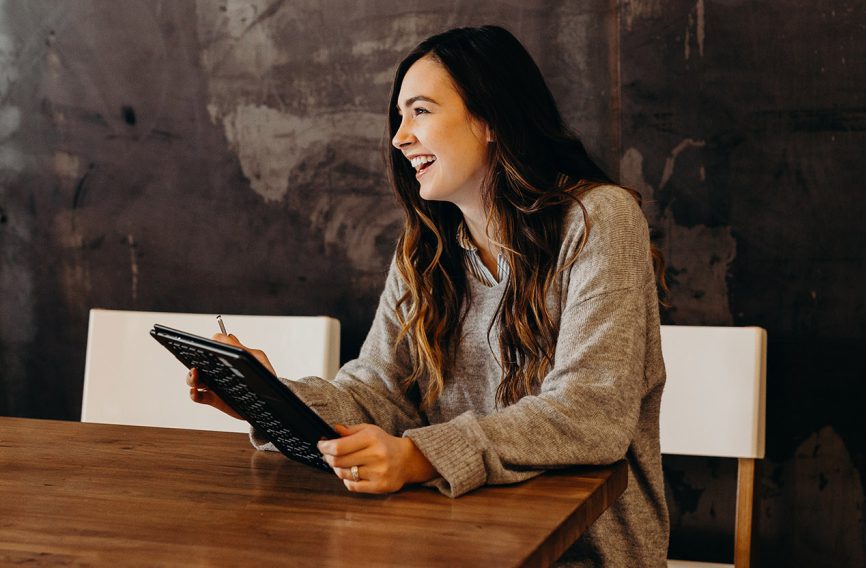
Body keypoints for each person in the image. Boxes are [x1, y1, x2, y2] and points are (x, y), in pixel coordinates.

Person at [186, 25, 669, 566]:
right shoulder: (426, 249)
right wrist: (270, 399)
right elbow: (378, 393)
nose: (399, 137)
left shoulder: (598, 220)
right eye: (399, 117)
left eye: (420, 111)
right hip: (449, 540)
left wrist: (419, 457)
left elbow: (589, 414)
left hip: (578, 553)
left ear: (489, 119)